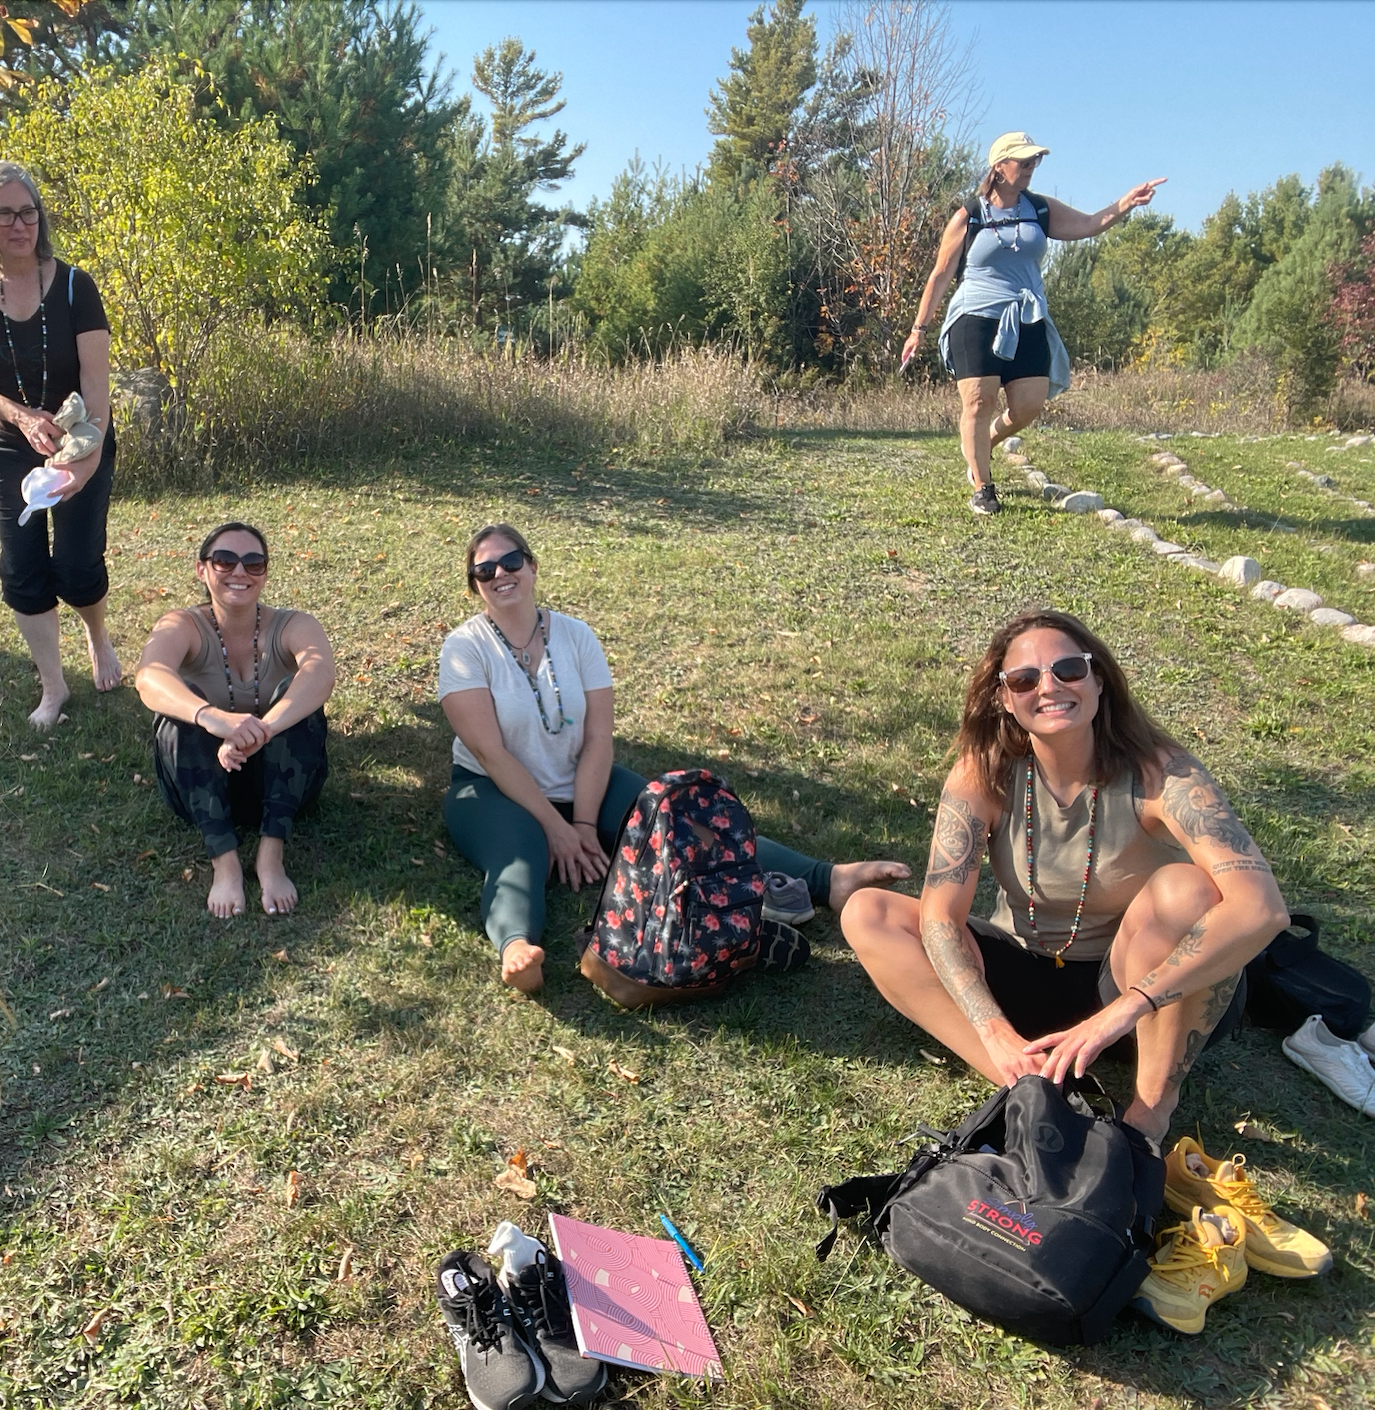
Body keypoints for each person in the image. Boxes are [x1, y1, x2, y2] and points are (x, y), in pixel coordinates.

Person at [841, 609, 1289, 1144]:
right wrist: (993, 1028)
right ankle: (1022, 1081)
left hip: (1138, 997)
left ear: (1099, 679)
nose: (1049, 687)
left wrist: (1126, 1009)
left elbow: (1261, 907)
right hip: (1026, 972)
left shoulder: (1163, 773)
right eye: (1026, 680)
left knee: (1188, 890)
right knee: (867, 911)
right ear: (1005, 698)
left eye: (1069, 669)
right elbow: (941, 914)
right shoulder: (983, 774)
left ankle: (1148, 1110)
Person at [438, 524, 910, 996]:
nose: (500, 573)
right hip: (491, 790)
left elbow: (599, 738)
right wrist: (555, 830)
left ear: (532, 566)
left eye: (511, 561)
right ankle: (518, 948)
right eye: (484, 570)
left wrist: (582, 826)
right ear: (474, 585)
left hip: (581, 778)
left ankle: (830, 880)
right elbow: (489, 752)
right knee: (522, 855)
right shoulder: (465, 647)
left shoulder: (575, 636)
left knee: (679, 823)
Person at [897, 132, 1166, 517]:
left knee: (1028, 406)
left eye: (1034, 161)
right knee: (978, 401)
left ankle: (980, 444)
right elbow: (940, 274)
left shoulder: (1040, 209)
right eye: (1023, 162)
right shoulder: (969, 215)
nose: (1030, 168)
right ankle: (982, 485)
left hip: (1026, 315)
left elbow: (1089, 224)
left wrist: (1126, 203)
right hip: (975, 315)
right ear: (999, 167)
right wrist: (918, 329)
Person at [0, 160, 120, 729]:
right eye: (5, 213)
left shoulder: (75, 285)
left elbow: (96, 382)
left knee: (76, 562)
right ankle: (53, 686)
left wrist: (85, 459)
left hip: (78, 437)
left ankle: (97, 635)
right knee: (21, 565)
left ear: (40, 216)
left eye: (28, 212)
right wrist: (17, 416)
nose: (20, 225)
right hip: (6, 443)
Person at [133, 523, 335, 918]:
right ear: (202, 569)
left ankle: (270, 854)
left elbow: (320, 674)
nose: (239, 572)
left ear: (265, 572)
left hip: (285, 783)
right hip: (198, 785)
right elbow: (149, 677)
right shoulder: (183, 624)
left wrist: (262, 731)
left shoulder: (293, 624)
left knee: (298, 701)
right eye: (224, 560)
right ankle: (224, 861)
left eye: (253, 562)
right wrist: (213, 719)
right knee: (178, 712)